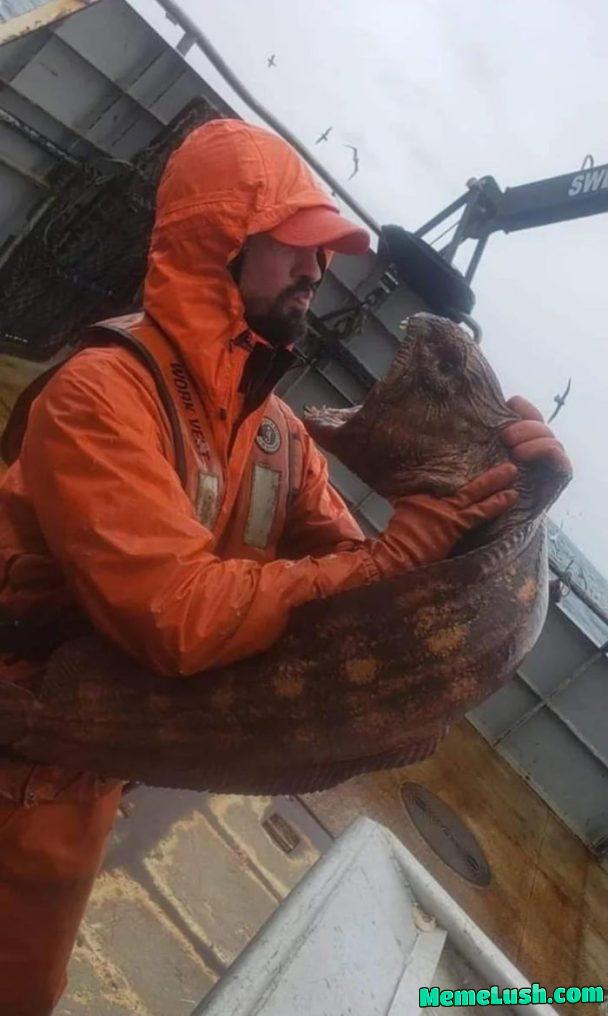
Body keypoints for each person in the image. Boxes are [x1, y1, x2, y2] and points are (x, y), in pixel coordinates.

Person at [0, 118, 571, 1014]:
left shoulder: (275, 435)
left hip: (79, 763)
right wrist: (402, 548)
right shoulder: (101, 393)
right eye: (295, 246)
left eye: (324, 251)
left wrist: (486, 520)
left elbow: (362, 578)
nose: (318, 270)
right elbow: (173, 615)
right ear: (218, 243)